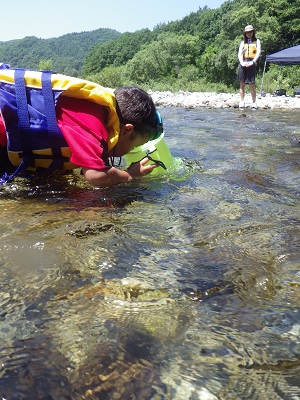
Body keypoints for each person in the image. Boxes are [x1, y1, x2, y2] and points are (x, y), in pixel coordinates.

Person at [0, 69, 162, 187]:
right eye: (135, 145)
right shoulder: (93, 118)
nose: (130, 151)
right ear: (127, 130)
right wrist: (130, 175)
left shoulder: (99, 113)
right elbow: (96, 176)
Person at [237, 24, 261, 109]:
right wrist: (242, 62)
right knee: (242, 84)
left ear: (253, 32)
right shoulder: (243, 42)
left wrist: (253, 62)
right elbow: (240, 54)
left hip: (252, 63)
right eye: (247, 32)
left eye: (250, 32)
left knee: (251, 84)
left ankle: (254, 102)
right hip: (243, 63)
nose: (249, 34)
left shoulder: (257, 41)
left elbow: (258, 52)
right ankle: (242, 101)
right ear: (245, 34)